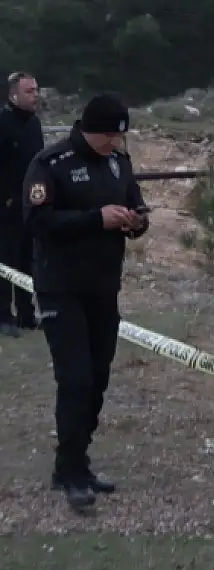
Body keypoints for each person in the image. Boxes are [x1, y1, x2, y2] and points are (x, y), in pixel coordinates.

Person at [23, 93, 149, 511]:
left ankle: (74, 460)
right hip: (61, 286)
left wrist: (135, 221)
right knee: (74, 379)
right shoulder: (51, 163)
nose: (114, 143)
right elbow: (38, 221)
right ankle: (73, 473)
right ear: (89, 129)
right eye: (109, 135)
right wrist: (96, 219)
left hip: (103, 287)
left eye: (119, 137)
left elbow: (137, 205)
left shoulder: (119, 162)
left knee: (97, 378)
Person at [0, 72, 44, 336]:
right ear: (14, 94)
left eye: (36, 90)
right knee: (6, 261)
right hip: (6, 207)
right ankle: (4, 316)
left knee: (29, 261)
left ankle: (27, 314)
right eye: (29, 91)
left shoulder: (34, 124)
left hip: (31, 205)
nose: (35, 95)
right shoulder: (3, 123)